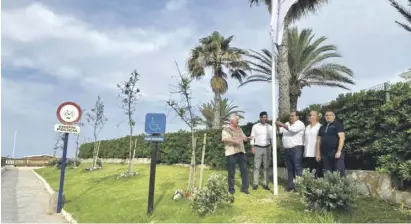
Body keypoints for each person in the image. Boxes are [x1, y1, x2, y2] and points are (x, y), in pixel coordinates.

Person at [222, 115, 253, 195]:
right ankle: (231, 190)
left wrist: (248, 138)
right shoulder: (226, 129)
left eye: (238, 120)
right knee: (231, 173)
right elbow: (224, 139)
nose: (238, 121)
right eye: (237, 120)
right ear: (231, 121)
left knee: (244, 171)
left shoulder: (240, 129)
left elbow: (244, 138)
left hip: (241, 152)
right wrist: (235, 141)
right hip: (231, 153)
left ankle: (245, 189)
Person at [276, 111, 305, 192]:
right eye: (290, 116)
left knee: (297, 167)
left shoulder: (300, 124)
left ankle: (299, 186)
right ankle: (290, 185)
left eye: (293, 116)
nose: (290, 117)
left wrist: (281, 124)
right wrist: (277, 126)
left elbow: (293, 130)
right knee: (290, 168)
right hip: (287, 149)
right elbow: (279, 131)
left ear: (297, 117)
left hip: (296, 148)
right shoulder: (287, 123)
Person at [316, 108, 346, 176]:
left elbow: (342, 138)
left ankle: (341, 186)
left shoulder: (338, 125)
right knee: (329, 173)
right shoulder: (322, 127)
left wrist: (339, 151)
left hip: (336, 152)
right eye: (326, 115)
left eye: (330, 115)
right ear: (324, 117)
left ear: (334, 116)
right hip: (325, 153)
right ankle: (330, 186)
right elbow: (318, 140)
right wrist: (318, 153)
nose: (328, 116)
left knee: (338, 172)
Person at [250, 111, 273, 191]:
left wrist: (273, 148)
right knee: (256, 166)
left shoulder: (270, 127)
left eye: (265, 117)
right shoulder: (255, 126)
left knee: (266, 167)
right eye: (263, 117)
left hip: (267, 147)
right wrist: (252, 146)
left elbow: (272, 138)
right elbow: (252, 137)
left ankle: (266, 184)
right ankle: (255, 184)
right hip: (257, 147)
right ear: (260, 118)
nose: (264, 119)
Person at [303, 110, 322, 177]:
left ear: (316, 117)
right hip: (307, 153)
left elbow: (320, 140)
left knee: (317, 171)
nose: (310, 116)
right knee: (310, 171)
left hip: (316, 153)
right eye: (309, 115)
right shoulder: (307, 127)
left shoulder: (320, 126)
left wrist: (318, 152)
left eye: (312, 115)